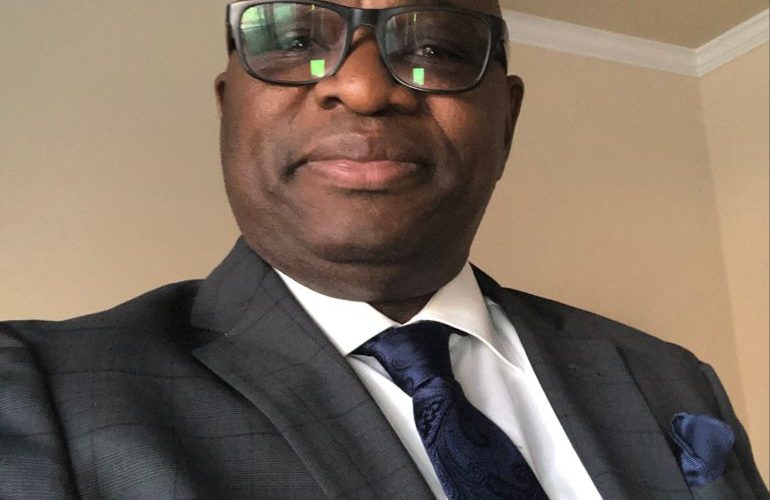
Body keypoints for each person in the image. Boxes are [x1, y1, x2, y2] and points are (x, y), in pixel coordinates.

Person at [1, 0, 767, 498]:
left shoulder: (669, 377)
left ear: (507, 122)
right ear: (228, 107)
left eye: (435, 45)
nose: (366, 89)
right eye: (295, 41)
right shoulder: (39, 394)